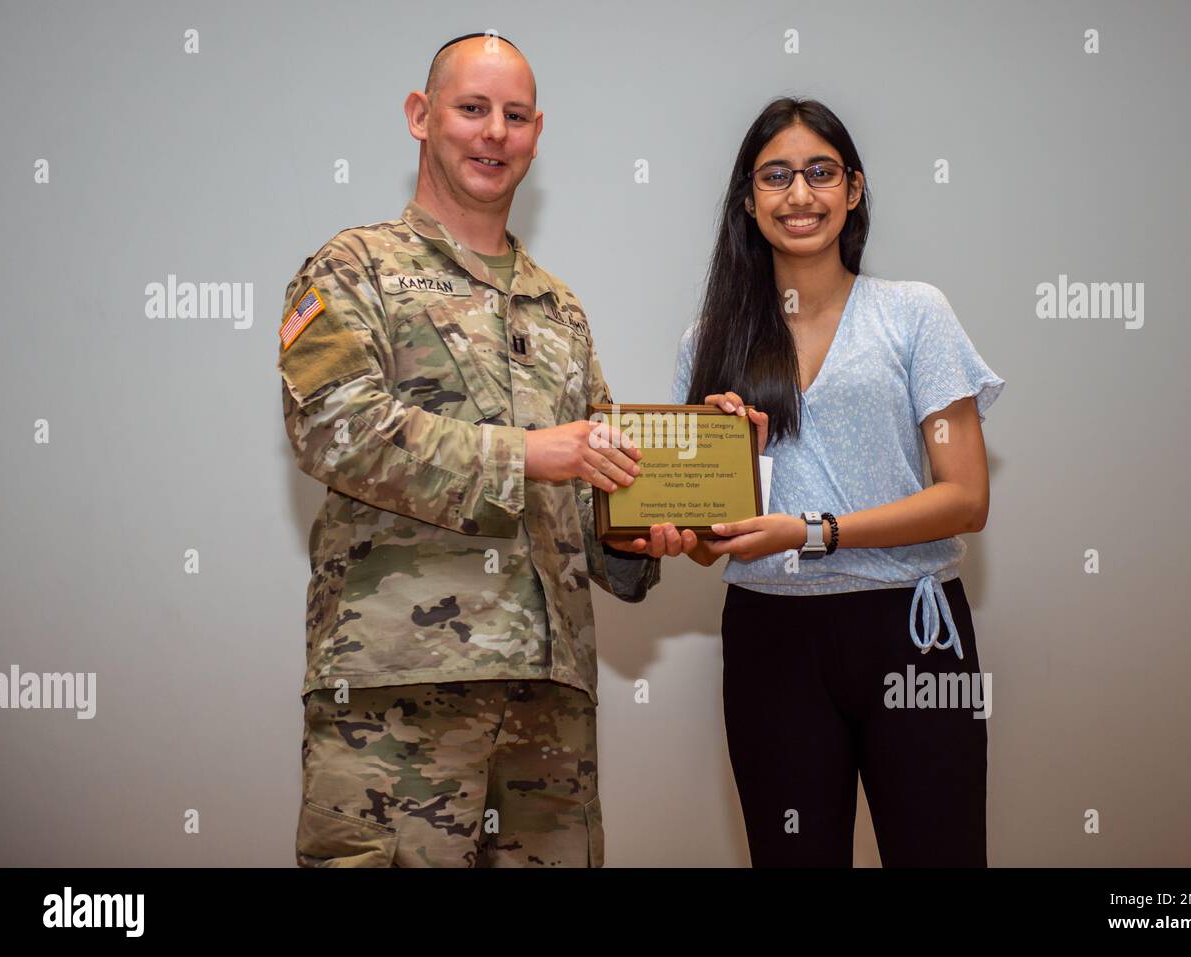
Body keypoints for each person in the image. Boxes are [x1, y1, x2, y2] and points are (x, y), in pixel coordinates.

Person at [277, 32, 688, 868]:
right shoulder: (354, 268)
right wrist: (530, 454)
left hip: (550, 704)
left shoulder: (559, 309)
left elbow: (591, 485)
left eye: (514, 116)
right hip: (396, 698)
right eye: (472, 109)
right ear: (421, 117)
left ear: (537, 133)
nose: (493, 133)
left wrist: (649, 526)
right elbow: (333, 427)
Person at [673, 97, 1005, 867]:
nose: (800, 195)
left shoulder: (915, 314)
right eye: (776, 176)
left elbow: (966, 496)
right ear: (748, 200)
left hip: (913, 634)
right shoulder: (709, 343)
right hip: (771, 639)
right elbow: (701, 543)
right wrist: (703, 505)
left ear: (853, 189)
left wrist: (815, 532)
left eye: (821, 172)